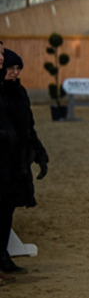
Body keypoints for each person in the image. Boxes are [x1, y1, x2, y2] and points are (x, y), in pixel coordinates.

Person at [0, 47, 48, 280]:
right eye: (11, 68)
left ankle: (3, 255)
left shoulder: (21, 93)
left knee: (8, 208)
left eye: (17, 68)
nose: (15, 72)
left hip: (16, 160)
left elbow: (29, 126)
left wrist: (39, 152)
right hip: (3, 159)